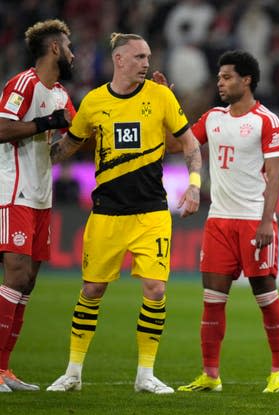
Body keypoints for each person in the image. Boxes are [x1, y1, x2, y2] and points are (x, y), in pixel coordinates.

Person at [46, 32, 202, 394]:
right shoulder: (95, 102)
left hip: (151, 213)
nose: (147, 62)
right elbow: (70, 143)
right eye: (139, 57)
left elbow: (190, 142)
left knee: (156, 289)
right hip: (107, 213)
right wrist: (33, 158)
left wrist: (194, 184)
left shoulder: (161, 96)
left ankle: (145, 374)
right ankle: (73, 372)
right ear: (119, 60)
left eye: (148, 56)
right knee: (92, 288)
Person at [176, 50, 279, 394]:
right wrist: (167, 104)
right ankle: (210, 374)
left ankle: (278, 373)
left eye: (227, 77)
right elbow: (178, 142)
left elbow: (276, 175)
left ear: (247, 80)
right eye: (219, 77)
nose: (220, 83)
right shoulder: (212, 118)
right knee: (212, 299)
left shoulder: (266, 121)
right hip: (219, 223)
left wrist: (267, 222)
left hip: (254, 221)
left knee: (265, 296)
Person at [0, 19, 75, 392]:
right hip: (14, 193)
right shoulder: (23, 84)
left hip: (42, 197)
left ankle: (5, 370)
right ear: (55, 49)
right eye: (70, 46)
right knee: (14, 275)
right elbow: (1, 128)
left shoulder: (61, 93)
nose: (74, 53)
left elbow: (71, 138)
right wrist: (43, 123)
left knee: (27, 282)